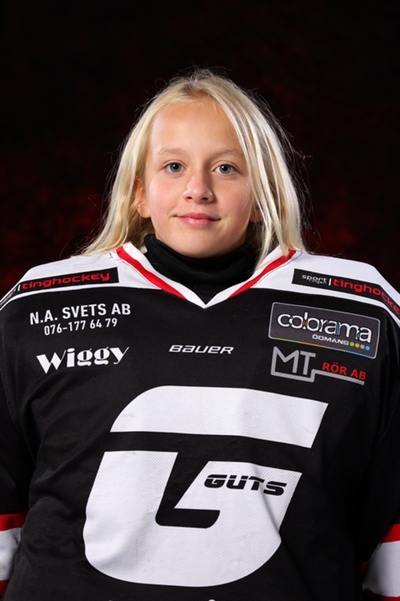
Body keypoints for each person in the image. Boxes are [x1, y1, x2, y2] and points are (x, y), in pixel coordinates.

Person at [0, 68, 399, 601]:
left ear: (262, 192)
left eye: (226, 168)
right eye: (174, 166)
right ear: (139, 193)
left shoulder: (362, 309)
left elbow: (390, 520)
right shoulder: (40, 304)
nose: (198, 190)